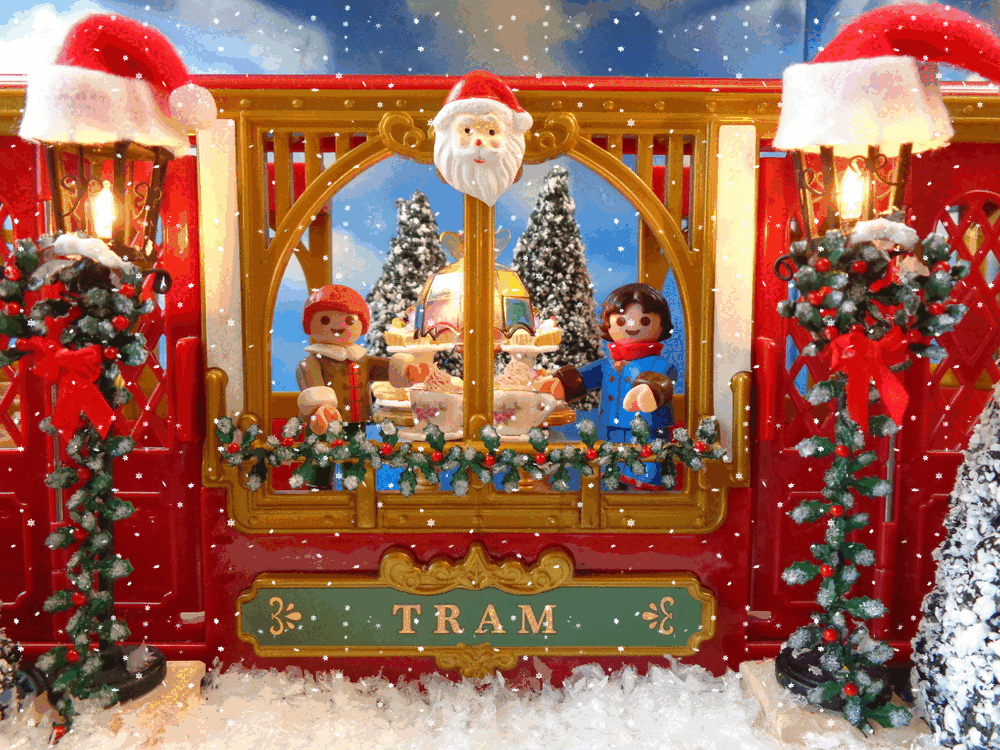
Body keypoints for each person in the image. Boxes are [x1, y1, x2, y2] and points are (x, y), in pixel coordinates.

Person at [541, 283, 677, 489]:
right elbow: (583, 377)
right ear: (608, 323)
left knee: (645, 480)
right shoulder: (607, 365)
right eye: (621, 320)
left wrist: (649, 391)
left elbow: (662, 379)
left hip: (647, 436)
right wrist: (561, 384)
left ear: (661, 325)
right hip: (610, 435)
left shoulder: (659, 364)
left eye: (645, 320)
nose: (632, 325)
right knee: (611, 480)